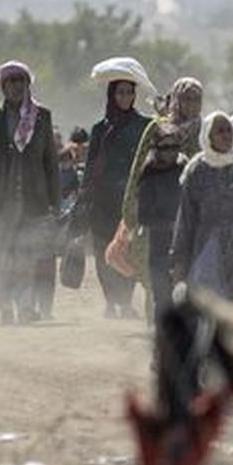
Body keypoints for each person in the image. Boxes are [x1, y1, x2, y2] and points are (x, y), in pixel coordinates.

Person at [0, 61, 60, 326]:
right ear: (3, 86)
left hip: (33, 200)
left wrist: (55, 201)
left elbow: (50, 161)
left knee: (27, 256)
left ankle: (25, 307)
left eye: (22, 81)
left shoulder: (41, 116)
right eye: (12, 81)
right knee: (1, 257)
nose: (17, 86)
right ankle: (4, 305)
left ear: (28, 85)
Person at [119, 78, 205, 315]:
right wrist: (131, 210)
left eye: (196, 99)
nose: (192, 104)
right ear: (176, 99)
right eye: (186, 98)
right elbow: (139, 168)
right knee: (156, 276)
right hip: (156, 213)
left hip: (190, 214)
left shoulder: (203, 130)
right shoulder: (158, 127)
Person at [171, 111, 233, 305]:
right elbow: (187, 216)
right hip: (208, 242)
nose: (226, 135)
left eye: (229, 130)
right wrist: (180, 261)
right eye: (219, 131)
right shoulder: (197, 169)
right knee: (209, 303)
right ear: (208, 136)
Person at [84, 74, 153, 317]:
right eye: (120, 92)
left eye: (129, 92)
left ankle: (124, 301)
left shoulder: (144, 125)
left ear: (135, 95)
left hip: (132, 198)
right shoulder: (100, 128)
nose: (125, 96)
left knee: (128, 249)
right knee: (104, 250)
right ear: (112, 95)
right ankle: (111, 301)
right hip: (102, 199)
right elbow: (91, 165)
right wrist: (85, 196)